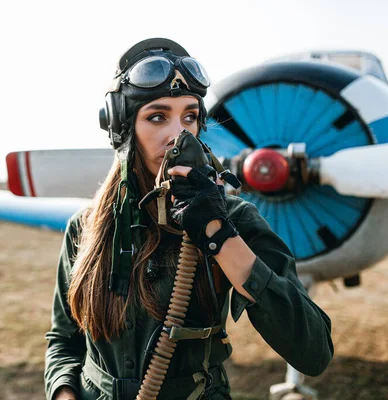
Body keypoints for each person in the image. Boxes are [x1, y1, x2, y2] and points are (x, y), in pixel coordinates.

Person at [44, 38, 333, 400]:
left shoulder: (235, 220)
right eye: (157, 116)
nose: (177, 133)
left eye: (190, 117)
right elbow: (63, 340)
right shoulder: (85, 227)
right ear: (124, 128)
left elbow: (314, 350)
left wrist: (217, 234)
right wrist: (63, 393)